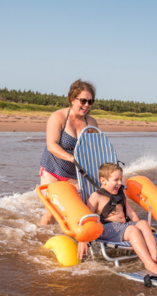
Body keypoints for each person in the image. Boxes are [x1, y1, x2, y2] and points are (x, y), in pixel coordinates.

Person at [82, 163, 157, 275]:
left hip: (123, 227)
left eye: (121, 179)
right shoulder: (96, 197)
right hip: (107, 228)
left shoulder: (119, 195)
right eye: (116, 180)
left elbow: (131, 213)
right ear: (103, 181)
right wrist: (83, 240)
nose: (120, 183)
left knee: (143, 223)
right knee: (132, 230)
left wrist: (141, 226)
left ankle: (153, 252)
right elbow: (87, 218)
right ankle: (148, 263)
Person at [39, 79, 99, 225]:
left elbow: (95, 150)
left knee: (81, 210)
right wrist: (72, 158)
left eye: (90, 102)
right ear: (72, 99)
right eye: (83, 101)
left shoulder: (91, 123)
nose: (87, 105)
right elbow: (51, 145)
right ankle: (39, 242)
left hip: (75, 175)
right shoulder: (58, 117)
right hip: (52, 171)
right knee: (51, 213)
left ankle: (79, 240)